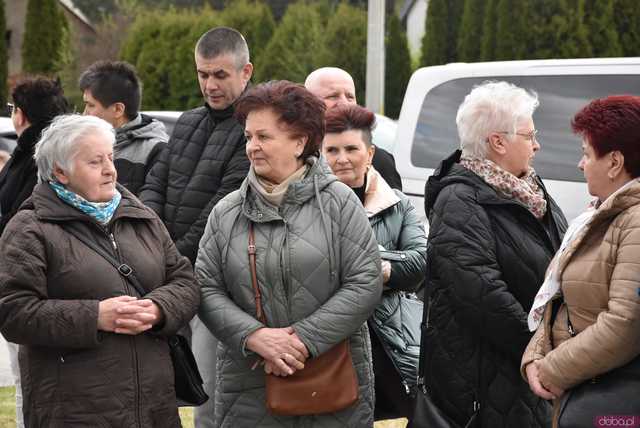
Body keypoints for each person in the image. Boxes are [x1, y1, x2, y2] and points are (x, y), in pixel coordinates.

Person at [196, 80, 382, 427]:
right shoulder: (226, 212)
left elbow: (365, 282)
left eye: (263, 137)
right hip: (248, 388)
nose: (252, 147)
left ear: (299, 142)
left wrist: (301, 340)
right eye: (248, 137)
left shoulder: (339, 203)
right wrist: (255, 337)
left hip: (331, 381)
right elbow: (205, 288)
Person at [0, 114, 199, 427]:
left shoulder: (140, 216)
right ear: (59, 172)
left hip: (154, 407)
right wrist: (95, 316)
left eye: (111, 157)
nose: (110, 170)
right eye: (95, 162)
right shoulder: (29, 229)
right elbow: (13, 313)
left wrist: (159, 308)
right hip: (75, 412)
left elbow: (184, 281)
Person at [422, 81, 567, 427]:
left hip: (525, 372)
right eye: (529, 135)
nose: (537, 145)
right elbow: (481, 293)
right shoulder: (459, 200)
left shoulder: (528, 188)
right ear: (498, 142)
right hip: (486, 382)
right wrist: (540, 348)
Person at [139, 26, 252, 428]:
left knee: (210, 398)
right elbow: (156, 181)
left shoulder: (252, 130)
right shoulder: (186, 122)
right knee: (157, 390)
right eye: (203, 74)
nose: (210, 84)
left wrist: (166, 258)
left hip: (212, 280)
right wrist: (150, 241)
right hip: (167, 271)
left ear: (246, 72)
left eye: (220, 75)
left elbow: (221, 208)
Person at [523, 95, 640, 425]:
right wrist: (535, 356)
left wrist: (551, 368)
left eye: (586, 154)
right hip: (586, 389)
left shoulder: (635, 221)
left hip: (613, 403)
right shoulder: (599, 216)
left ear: (615, 162)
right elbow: (560, 300)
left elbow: (626, 324)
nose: (580, 164)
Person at [323, 104, 426, 420]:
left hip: (392, 335)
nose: (342, 158)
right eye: (332, 150)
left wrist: (369, 265)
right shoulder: (306, 204)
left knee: (427, 414)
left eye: (351, 148)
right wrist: (381, 266)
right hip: (331, 341)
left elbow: (421, 261)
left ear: (369, 153)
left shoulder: (397, 203)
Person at [0, 78, 69, 428]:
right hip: (39, 280)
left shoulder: (35, 157)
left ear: (21, 114)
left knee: (30, 378)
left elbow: (17, 218)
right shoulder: (41, 152)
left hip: (30, 282)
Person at [305, 67, 403, 190]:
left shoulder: (379, 161)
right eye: (333, 96)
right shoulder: (292, 155)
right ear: (308, 103)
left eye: (350, 97)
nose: (345, 103)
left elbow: (394, 207)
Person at [79, 60, 169, 195]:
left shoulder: (156, 151)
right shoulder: (82, 143)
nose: (84, 113)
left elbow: (150, 208)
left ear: (118, 109)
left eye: (90, 105)